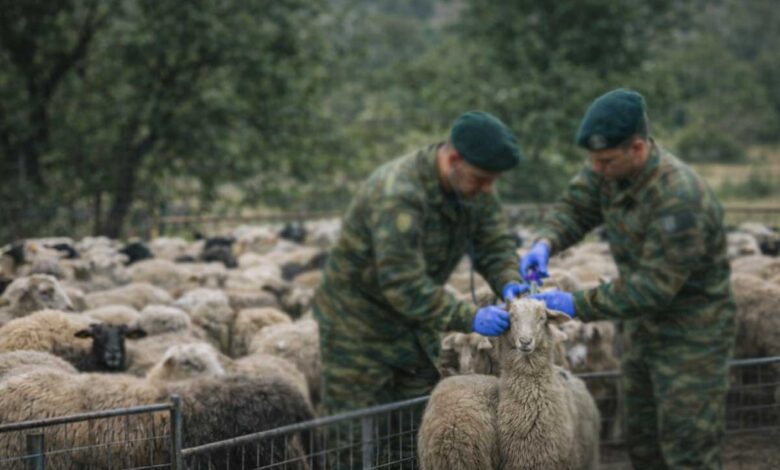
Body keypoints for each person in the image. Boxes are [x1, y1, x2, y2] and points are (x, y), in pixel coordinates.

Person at [524, 89, 737, 469]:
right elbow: (575, 207)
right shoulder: (608, 170)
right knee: (643, 443)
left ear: (637, 149)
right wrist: (545, 241)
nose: (596, 167)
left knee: (688, 447)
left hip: (692, 338)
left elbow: (653, 287)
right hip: (641, 332)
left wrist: (577, 304)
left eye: (605, 159)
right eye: (592, 159)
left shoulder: (679, 199)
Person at [312, 111, 526, 416]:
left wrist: (510, 281)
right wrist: (469, 316)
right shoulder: (398, 193)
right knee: (358, 437)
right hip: (359, 332)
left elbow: (494, 243)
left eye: (493, 180)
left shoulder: (473, 188)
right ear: (453, 161)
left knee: (415, 431)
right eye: (482, 179)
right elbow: (402, 283)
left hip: (416, 329)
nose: (488, 189)